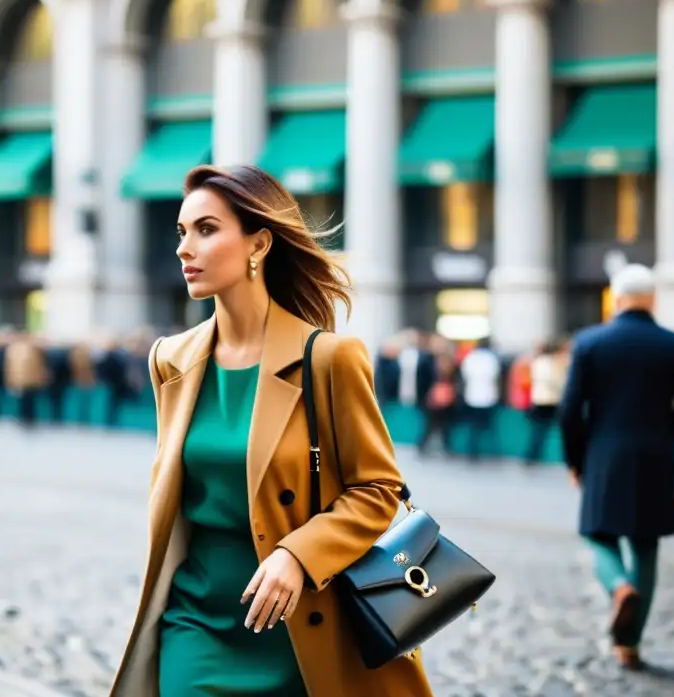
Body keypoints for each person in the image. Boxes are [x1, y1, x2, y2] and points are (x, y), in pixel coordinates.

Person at [109, 166, 432, 697]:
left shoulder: (329, 358)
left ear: (259, 243)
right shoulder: (171, 360)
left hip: (302, 626)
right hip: (196, 621)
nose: (185, 248)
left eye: (207, 230)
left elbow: (378, 490)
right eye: (181, 232)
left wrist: (297, 555)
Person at [558, 264, 674, 671]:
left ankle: (618, 586)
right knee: (645, 546)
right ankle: (630, 645)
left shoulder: (590, 343)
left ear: (617, 298)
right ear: (653, 299)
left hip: (603, 454)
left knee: (597, 533)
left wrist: (575, 459)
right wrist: (665, 430)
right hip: (657, 457)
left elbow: (570, 410)